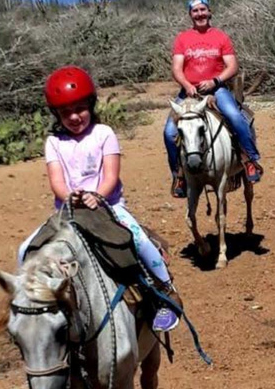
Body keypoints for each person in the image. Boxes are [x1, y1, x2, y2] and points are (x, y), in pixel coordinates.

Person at [18, 66, 179, 332]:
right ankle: (29, 306)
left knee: (138, 240)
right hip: (68, 213)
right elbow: (56, 181)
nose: (74, 117)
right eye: (65, 112)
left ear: (91, 105)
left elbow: (111, 176)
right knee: (25, 249)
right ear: (56, 114)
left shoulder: (104, 133)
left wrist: (97, 196)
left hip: (109, 207)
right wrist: (70, 196)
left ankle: (164, 292)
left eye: (79, 108)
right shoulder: (54, 142)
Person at [163, 0, 263, 199]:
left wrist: (214, 81)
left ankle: (250, 160)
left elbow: (232, 66)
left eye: (202, 10)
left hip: (216, 89)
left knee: (235, 117)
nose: (199, 14)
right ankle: (179, 175)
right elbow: (176, 68)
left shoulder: (220, 37)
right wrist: (187, 85)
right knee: (169, 132)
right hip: (189, 91)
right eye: (195, 11)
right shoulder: (183, 38)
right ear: (190, 14)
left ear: (209, 12)